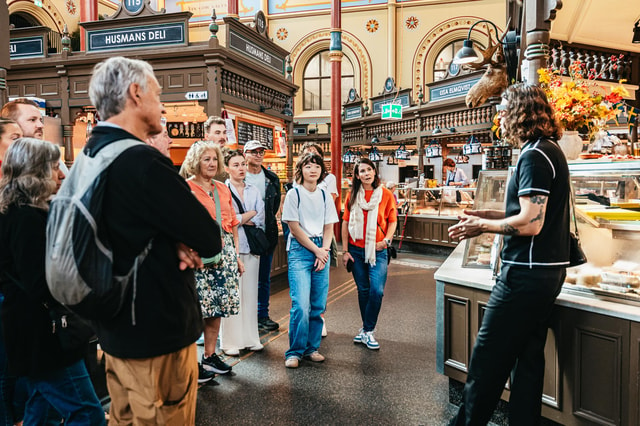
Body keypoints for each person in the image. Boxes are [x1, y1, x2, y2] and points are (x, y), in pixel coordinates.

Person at [85, 56, 222, 424]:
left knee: (123, 417)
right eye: (157, 93)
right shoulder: (140, 162)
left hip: (113, 327)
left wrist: (169, 235)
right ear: (135, 93)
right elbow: (208, 237)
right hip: (155, 329)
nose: (162, 104)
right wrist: (180, 237)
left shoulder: (89, 155)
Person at [447, 83, 570, 426]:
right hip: (545, 276)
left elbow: (531, 223)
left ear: (521, 111)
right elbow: (528, 213)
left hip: (523, 276)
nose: (499, 114)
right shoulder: (548, 149)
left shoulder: (534, 155)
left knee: (487, 362)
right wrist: (484, 216)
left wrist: (480, 229)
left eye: (503, 107)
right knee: (528, 360)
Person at [0, 137, 104, 425]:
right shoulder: (27, 219)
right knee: (87, 413)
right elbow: (39, 283)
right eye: (54, 167)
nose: (61, 174)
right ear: (35, 172)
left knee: (40, 409)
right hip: (44, 334)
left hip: (31, 329)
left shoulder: (15, 212)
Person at [180, 141, 244, 376]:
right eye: (206, 159)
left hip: (224, 252)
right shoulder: (185, 188)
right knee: (197, 307)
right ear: (195, 161)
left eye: (214, 159)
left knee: (216, 307)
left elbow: (233, 224)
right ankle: (191, 363)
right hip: (198, 255)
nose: (211, 163)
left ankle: (209, 356)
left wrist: (236, 256)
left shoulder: (222, 188)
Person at [281, 153, 338, 368]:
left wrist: (324, 250)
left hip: (320, 248)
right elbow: (293, 227)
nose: (312, 170)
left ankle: (311, 348)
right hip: (300, 249)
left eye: (316, 166)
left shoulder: (324, 195)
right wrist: (317, 251)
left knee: (317, 304)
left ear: (321, 171)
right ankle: (294, 351)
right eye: (307, 166)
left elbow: (329, 226)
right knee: (300, 305)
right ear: (301, 170)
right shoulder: (294, 194)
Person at [342, 158, 398, 350]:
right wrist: (345, 251)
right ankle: (367, 331)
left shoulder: (386, 194)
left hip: (378, 250)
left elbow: (392, 220)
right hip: (356, 250)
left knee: (377, 290)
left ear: (374, 171)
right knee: (363, 290)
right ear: (357, 176)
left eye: (368, 169)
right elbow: (345, 222)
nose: (366, 173)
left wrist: (387, 241)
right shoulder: (352, 195)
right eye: (361, 171)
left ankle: (367, 330)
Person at [221, 149, 265, 355]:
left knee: (250, 293)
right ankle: (230, 342)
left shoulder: (254, 190)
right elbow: (227, 222)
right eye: (236, 165)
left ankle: (250, 338)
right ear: (227, 168)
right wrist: (248, 215)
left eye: (243, 164)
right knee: (232, 294)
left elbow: (260, 219)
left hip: (252, 247)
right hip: (231, 249)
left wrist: (240, 218)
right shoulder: (222, 190)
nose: (241, 168)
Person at [296, 142, 339, 336]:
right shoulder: (296, 185)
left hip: (322, 237)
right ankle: (303, 330)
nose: (312, 167)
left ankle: (319, 319)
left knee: (320, 285)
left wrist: (323, 249)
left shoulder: (328, 180)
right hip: (301, 239)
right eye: (307, 158)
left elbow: (327, 212)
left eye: (316, 160)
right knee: (301, 292)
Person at [244, 140, 281, 331]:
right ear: (245, 154)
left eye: (261, 151)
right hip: (244, 235)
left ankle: (262, 315)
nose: (258, 154)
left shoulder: (272, 179)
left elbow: (273, 208)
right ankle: (245, 316)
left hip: (267, 234)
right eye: (254, 151)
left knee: (264, 279)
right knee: (244, 278)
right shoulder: (240, 177)